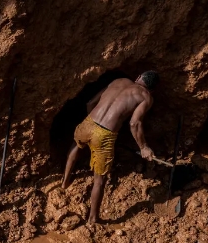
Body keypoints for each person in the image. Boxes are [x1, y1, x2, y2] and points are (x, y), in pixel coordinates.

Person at [63, 71, 159, 224]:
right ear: (152, 89)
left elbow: (90, 103)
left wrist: (93, 123)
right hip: (104, 135)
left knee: (75, 146)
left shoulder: (119, 80)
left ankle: (65, 182)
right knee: (100, 179)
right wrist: (143, 147)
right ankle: (93, 219)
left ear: (138, 77)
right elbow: (134, 123)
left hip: (88, 123)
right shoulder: (146, 97)